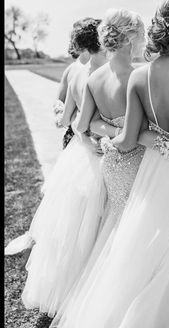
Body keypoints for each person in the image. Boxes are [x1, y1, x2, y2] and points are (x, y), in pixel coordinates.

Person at [49, 5, 169, 328]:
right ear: (130, 39)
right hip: (140, 162)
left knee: (119, 231)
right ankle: (137, 307)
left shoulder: (95, 77)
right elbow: (141, 133)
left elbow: (83, 126)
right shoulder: (139, 75)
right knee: (144, 236)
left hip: (111, 165)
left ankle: (113, 301)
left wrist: (109, 131)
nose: (144, 41)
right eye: (140, 35)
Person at [13, 18, 108, 318]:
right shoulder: (107, 74)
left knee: (72, 224)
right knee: (97, 221)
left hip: (80, 154)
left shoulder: (79, 73)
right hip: (102, 152)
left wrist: (77, 127)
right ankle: (94, 287)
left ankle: (70, 286)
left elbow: (67, 119)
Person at [54, 18, 91, 149]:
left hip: (90, 131)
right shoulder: (72, 70)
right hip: (80, 131)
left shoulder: (99, 67)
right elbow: (60, 100)